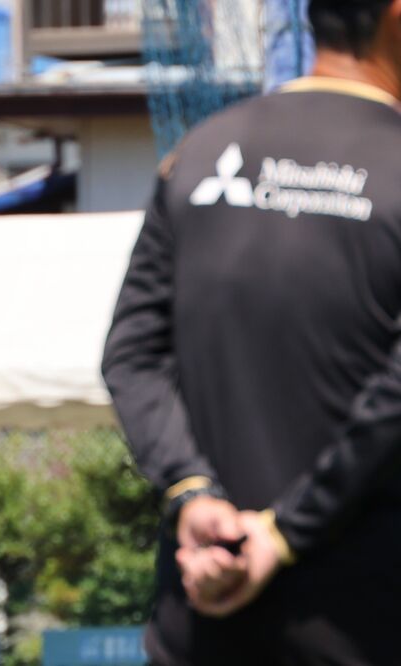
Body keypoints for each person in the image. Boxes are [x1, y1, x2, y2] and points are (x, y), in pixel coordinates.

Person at [102, 1, 401, 663]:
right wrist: (285, 532)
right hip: (366, 620)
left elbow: (132, 354)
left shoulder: (201, 152)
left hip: (202, 610)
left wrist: (192, 491)